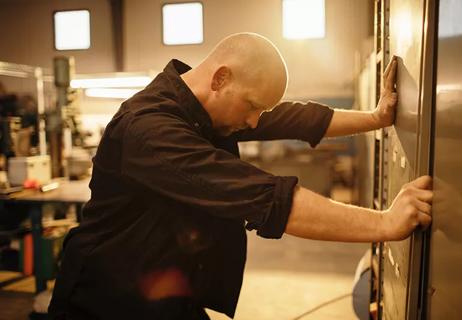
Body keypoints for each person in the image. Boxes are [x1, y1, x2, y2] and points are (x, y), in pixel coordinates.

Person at [49, 33, 432, 320]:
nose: (253, 122)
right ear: (220, 79)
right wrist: (385, 223)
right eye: (251, 107)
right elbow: (263, 198)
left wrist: (377, 118)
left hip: (164, 290)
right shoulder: (149, 130)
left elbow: (293, 117)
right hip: (103, 302)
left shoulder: (203, 105)